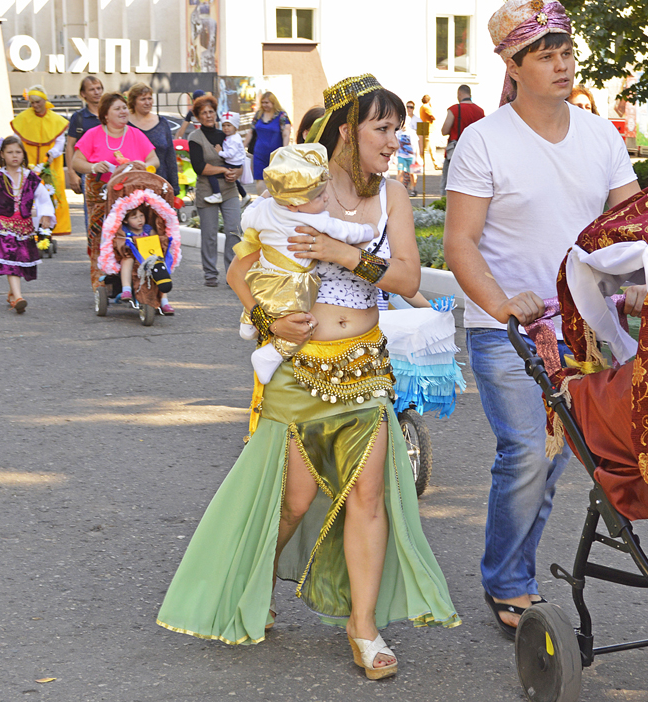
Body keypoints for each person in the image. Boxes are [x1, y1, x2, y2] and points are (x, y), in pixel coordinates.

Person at [157, 74, 459, 680]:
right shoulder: (301, 187)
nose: (394, 138)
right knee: (293, 502)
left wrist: (342, 253)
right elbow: (243, 268)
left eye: (397, 127)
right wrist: (268, 321)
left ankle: (364, 630)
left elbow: (404, 279)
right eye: (382, 126)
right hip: (298, 371)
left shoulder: (392, 195)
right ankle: (253, 585)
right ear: (348, 130)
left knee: (368, 500)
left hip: (365, 369)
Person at [443, 0, 641, 639]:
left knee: (557, 459)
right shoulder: (483, 141)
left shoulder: (600, 134)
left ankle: (517, 574)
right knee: (529, 451)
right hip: (509, 328)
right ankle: (508, 583)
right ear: (512, 64)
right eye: (546, 55)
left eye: (567, 52)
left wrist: (637, 286)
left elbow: (631, 226)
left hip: (590, 327)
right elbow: (461, 243)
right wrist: (502, 304)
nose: (562, 65)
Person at [237, 143, 375, 384]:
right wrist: (367, 230)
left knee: (263, 298)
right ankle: (271, 354)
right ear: (294, 203)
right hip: (293, 284)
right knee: (302, 323)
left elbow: (246, 219)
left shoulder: (267, 209)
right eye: (319, 196)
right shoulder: (313, 220)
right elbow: (345, 231)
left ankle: (248, 322)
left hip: (263, 275)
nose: (326, 198)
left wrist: (262, 200)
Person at [70, 92, 158, 291]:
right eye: (117, 108)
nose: (123, 111)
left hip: (132, 197)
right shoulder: (93, 134)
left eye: (124, 107)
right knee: (101, 238)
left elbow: (154, 160)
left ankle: (135, 280)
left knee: (133, 236)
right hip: (101, 196)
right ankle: (102, 283)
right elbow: (77, 161)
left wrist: (143, 165)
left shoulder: (135, 134)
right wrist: (93, 167)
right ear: (105, 115)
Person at [0, 135, 56, 313]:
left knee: (22, 261)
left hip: (25, 226)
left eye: (18, 152)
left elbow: (43, 198)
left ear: (23, 154)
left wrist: (45, 215)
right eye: (10, 152)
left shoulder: (31, 178)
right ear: (2, 155)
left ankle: (13, 293)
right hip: (4, 226)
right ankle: (19, 297)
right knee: (10, 260)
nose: (14, 156)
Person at [185, 93, 243, 287]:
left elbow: (240, 158)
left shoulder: (226, 134)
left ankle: (231, 273)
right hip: (207, 189)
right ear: (198, 116)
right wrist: (223, 169)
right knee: (209, 234)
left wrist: (236, 173)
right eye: (204, 113)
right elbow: (199, 167)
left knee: (234, 230)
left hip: (229, 188)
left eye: (211, 111)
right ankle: (210, 274)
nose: (209, 115)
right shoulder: (195, 138)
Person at [10, 86, 70, 236]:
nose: (35, 105)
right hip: (28, 164)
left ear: (45, 100)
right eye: (32, 103)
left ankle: (52, 228)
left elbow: (60, 142)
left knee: (53, 194)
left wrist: (52, 154)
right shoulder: (23, 118)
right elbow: (16, 139)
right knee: (23, 195)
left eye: (38, 102)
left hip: (51, 164)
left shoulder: (56, 120)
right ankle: (23, 226)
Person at [127, 82, 180, 195]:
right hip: (132, 186)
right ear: (133, 102)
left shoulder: (162, 123)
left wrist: (174, 186)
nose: (147, 102)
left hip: (160, 184)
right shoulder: (125, 124)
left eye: (149, 98)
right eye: (143, 99)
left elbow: (170, 156)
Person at [65, 76, 103, 217]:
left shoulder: (110, 114)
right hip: (88, 174)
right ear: (83, 94)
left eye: (99, 88)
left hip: (111, 171)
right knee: (92, 214)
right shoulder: (79, 117)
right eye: (92, 89)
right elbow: (70, 146)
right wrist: (72, 173)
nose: (96, 92)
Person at [440, 85, 485, 196]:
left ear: (459, 94)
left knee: (449, 180)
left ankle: (445, 204)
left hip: (455, 150)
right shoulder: (480, 111)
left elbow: (444, 130)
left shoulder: (454, 109)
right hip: (474, 152)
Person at [247, 91, 291, 194]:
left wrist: (284, 149)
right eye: (263, 102)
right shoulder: (259, 115)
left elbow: (286, 133)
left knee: (276, 179)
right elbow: (251, 131)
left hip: (275, 153)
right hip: (259, 153)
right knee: (260, 178)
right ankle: (262, 202)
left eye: (267, 102)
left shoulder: (281, 116)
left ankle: (276, 203)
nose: (264, 105)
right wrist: (242, 147)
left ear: (273, 102)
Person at [205, 112, 247, 203]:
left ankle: (217, 194)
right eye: (224, 125)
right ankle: (244, 195)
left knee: (212, 173)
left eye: (229, 125)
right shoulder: (231, 136)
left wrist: (220, 152)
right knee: (233, 180)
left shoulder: (234, 139)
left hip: (233, 164)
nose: (226, 128)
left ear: (235, 127)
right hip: (232, 163)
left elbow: (230, 154)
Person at [112, 206, 150, 302]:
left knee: (160, 265)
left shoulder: (148, 229)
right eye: (134, 218)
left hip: (147, 256)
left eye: (141, 216)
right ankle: (126, 289)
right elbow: (119, 242)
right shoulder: (124, 231)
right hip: (131, 255)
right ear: (125, 221)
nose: (140, 220)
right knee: (127, 260)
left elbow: (156, 240)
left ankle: (164, 300)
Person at [395, 123, 418, 196]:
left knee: (412, 173)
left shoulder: (412, 132)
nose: (403, 126)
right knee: (400, 171)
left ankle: (413, 188)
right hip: (401, 155)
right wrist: (394, 156)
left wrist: (418, 156)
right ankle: (397, 189)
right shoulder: (398, 133)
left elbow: (416, 145)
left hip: (411, 156)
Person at [418, 94, 439, 169]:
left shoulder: (421, 107)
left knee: (427, 148)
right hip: (429, 129)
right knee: (428, 148)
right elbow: (433, 117)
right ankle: (434, 164)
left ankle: (432, 163)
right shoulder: (427, 107)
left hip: (425, 128)